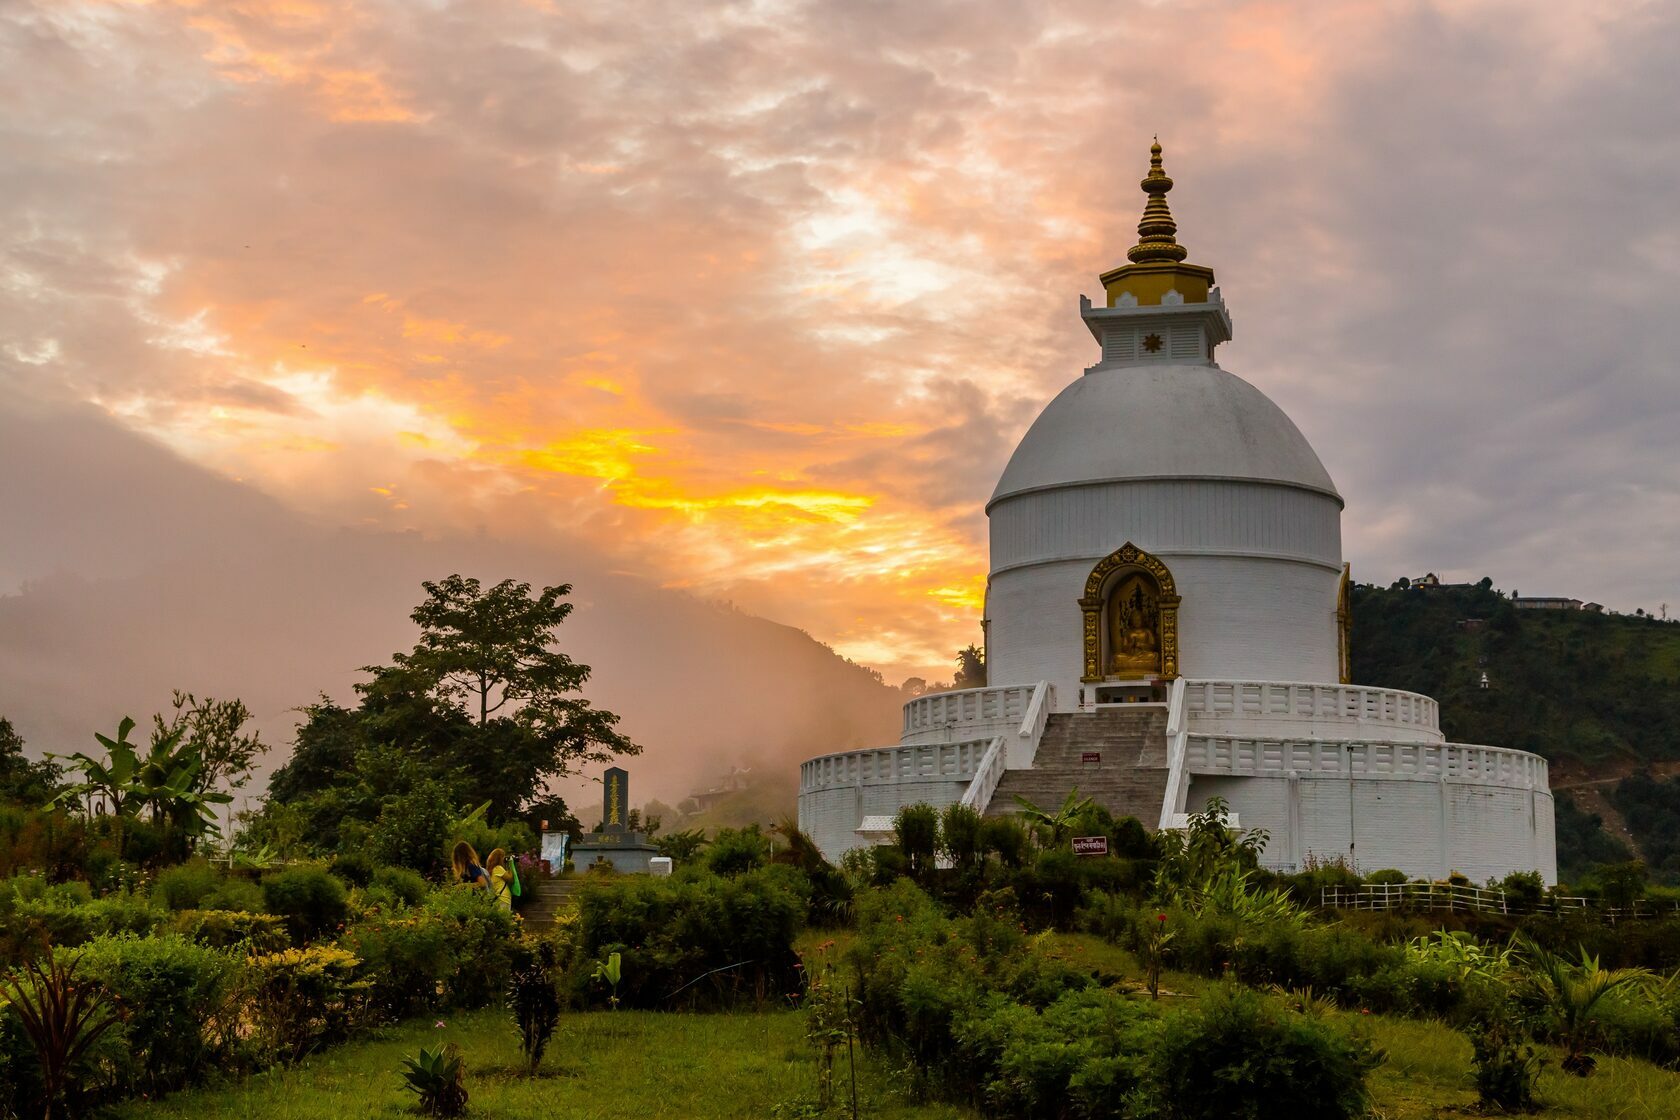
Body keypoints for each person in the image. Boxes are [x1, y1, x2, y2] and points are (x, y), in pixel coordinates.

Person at [485, 847, 514, 912]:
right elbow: (510, 878)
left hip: (499, 898)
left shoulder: (491, 869)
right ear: (499, 858)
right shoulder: (498, 868)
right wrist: (511, 864)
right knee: (504, 919)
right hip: (503, 898)